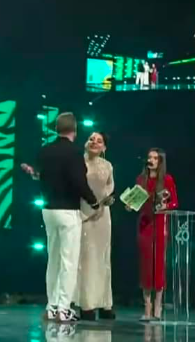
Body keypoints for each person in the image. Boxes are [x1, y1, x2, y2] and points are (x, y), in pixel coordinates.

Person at [32, 113, 101, 323]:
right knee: (68, 261)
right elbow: (78, 182)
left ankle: (51, 306)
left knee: (53, 259)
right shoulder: (74, 152)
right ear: (75, 130)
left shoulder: (45, 150)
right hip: (68, 211)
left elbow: (40, 176)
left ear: (56, 128)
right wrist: (93, 201)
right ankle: (63, 308)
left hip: (48, 210)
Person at [128, 148, 179, 321]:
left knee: (158, 266)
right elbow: (135, 203)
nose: (151, 160)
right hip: (145, 225)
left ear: (160, 161)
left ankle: (158, 306)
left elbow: (174, 202)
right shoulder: (141, 179)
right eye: (149, 157)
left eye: (155, 158)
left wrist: (165, 206)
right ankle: (147, 307)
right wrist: (130, 205)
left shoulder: (167, 180)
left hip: (160, 224)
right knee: (146, 266)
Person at [74, 132, 117, 321]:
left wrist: (105, 200)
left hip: (102, 217)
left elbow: (109, 186)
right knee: (86, 259)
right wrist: (91, 205)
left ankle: (105, 303)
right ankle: (87, 304)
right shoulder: (77, 163)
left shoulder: (108, 165)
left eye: (99, 141)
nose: (94, 142)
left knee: (103, 258)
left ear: (104, 148)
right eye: (91, 139)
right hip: (83, 214)